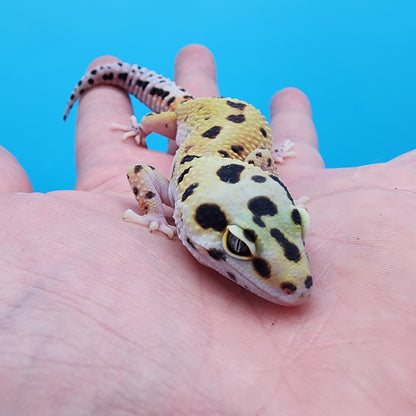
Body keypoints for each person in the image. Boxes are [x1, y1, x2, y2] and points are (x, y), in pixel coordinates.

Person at [0, 44, 415, 415]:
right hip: (192, 116)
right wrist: (152, 200)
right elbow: (140, 170)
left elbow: (259, 168)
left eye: (298, 223)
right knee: (152, 120)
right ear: (184, 210)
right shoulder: (178, 190)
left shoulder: (243, 178)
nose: (299, 280)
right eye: (238, 245)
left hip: (233, 129)